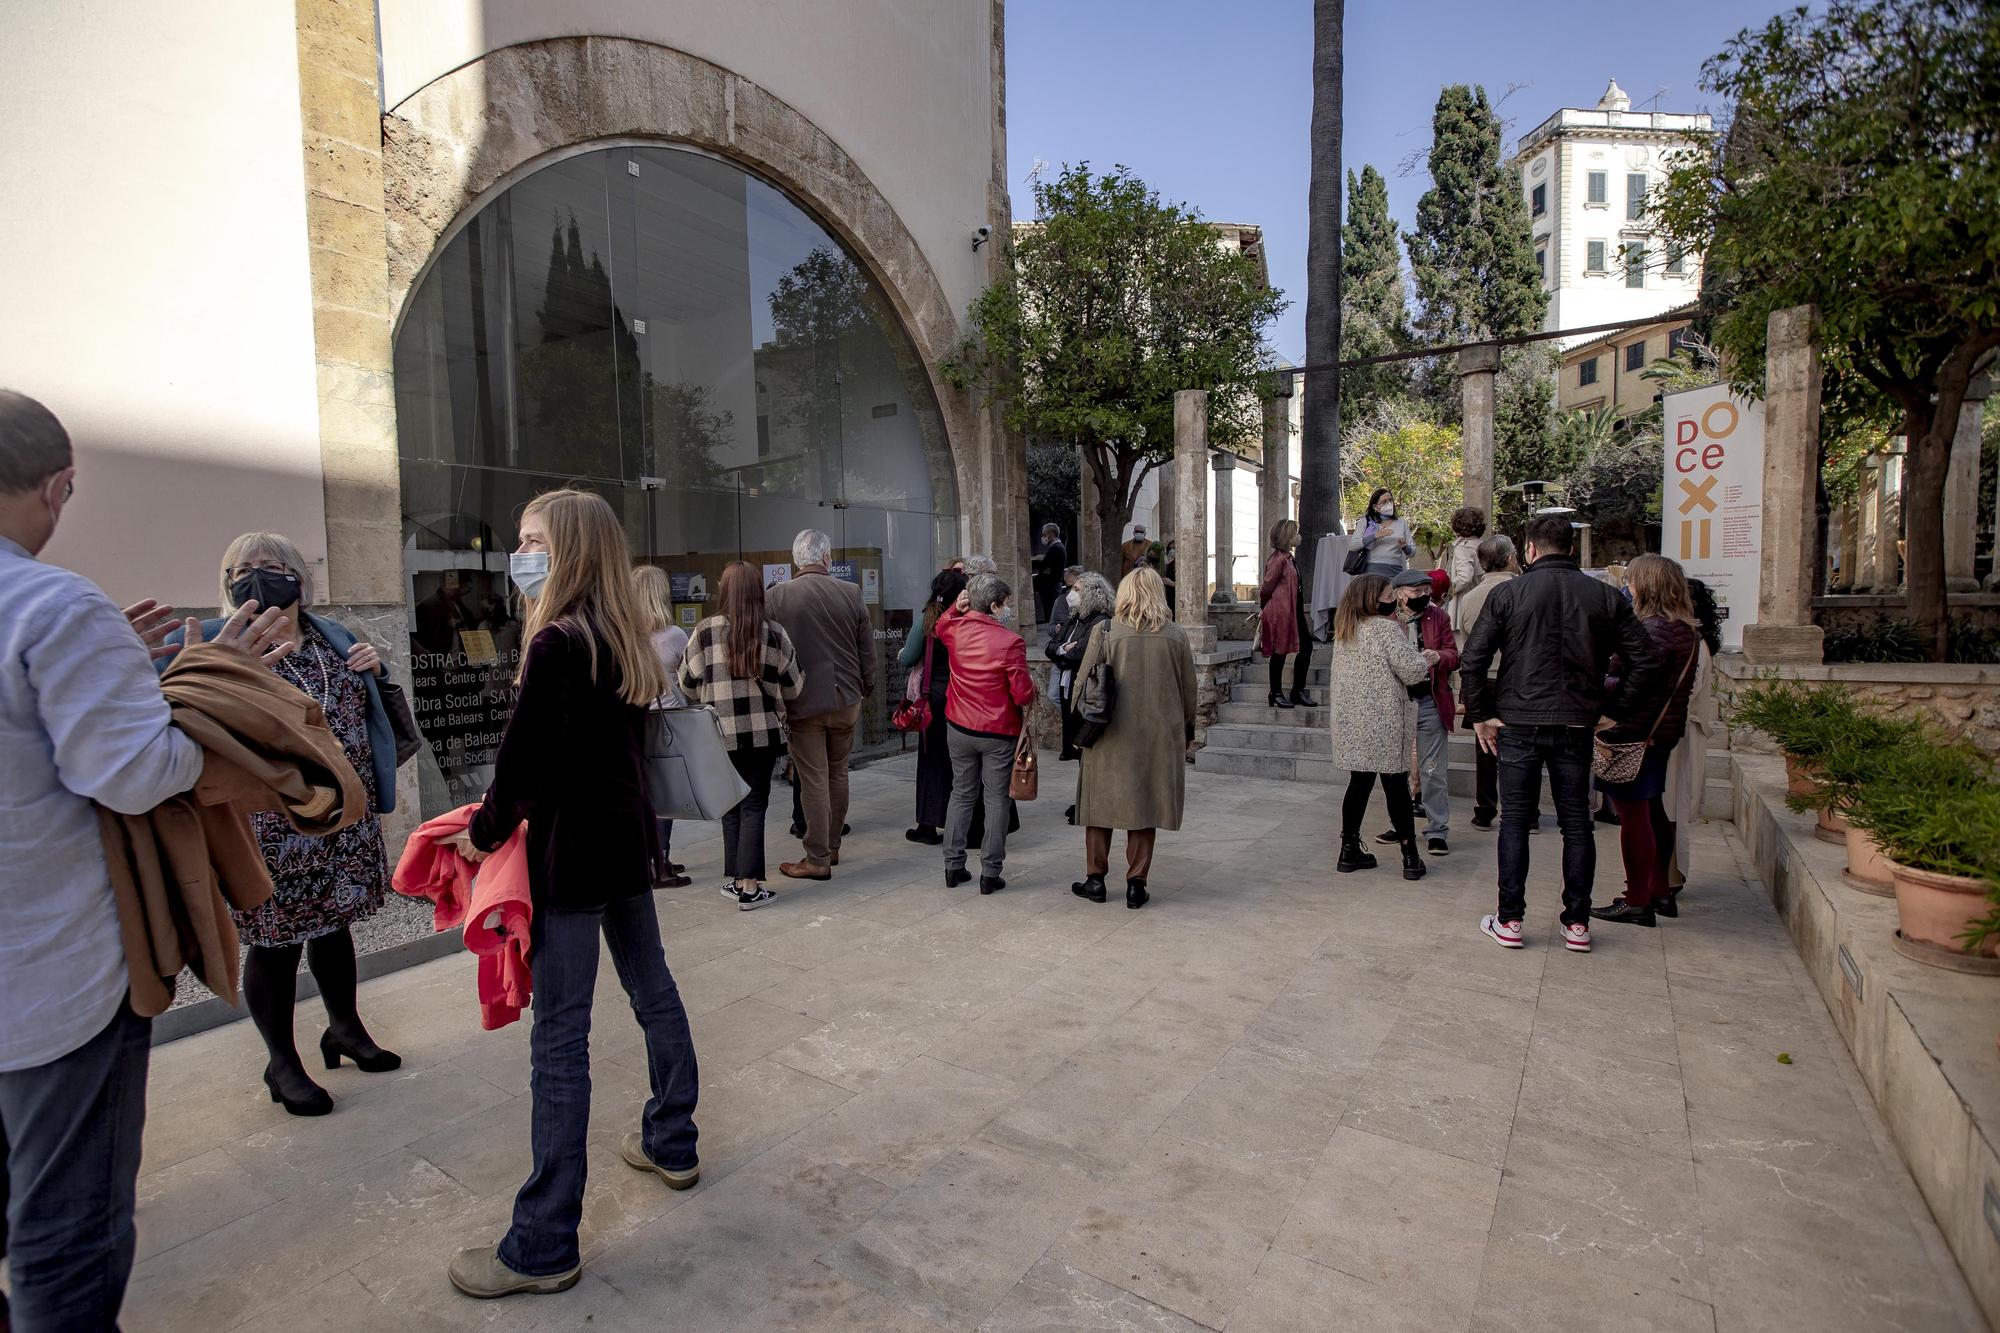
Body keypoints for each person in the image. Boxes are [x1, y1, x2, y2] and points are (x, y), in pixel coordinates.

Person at [0, 389, 294, 1331]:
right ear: (60, 485)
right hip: (48, 984)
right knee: (64, 1236)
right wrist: (212, 683)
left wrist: (122, 674)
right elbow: (137, 771)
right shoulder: (49, 604)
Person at [445, 489, 702, 1300]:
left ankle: (544, 1239)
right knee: (652, 988)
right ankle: (673, 1137)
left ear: (572, 550)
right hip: (624, 848)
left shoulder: (556, 642)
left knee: (559, 1039)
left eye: (532, 541)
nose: (519, 554)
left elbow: (520, 773)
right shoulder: (621, 637)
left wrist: (479, 835)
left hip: (568, 861)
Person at [174, 532, 403, 1118]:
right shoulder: (212, 644)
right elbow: (183, 722)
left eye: (274, 566)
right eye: (244, 568)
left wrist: (375, 673)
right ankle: (281, 1061)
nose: (259, 576)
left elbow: (369, 712)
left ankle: (345, 1029)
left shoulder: (335, 636)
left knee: (336, 927)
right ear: (226, 582)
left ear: (301, 578)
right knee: (275, 945)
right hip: (266, 831)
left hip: (340, 820)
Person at [1459, 514, 1661, 955]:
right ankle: (1577, 924)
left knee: (1515, 820)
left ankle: (1510, 919)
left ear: (1529, 550)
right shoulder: (1605, 596)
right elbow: (1645, 661)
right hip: (1574, 722)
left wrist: (1480, 714)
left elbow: (1472, 658)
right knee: (1576, 823)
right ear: (1570, 549)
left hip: (1519, 721)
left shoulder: (1509, 592)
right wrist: (1611, 711)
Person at [679, 562, 805, 909]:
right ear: (757, 591)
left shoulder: (704, 632)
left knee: (730, 805)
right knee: (754, 805)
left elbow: (687, 685)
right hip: (762, 736)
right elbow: (794, 686)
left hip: (717, 734)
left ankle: (737, 880)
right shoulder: (774, 633)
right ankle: (750, 886)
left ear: (725, 590)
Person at [1070, 568, 1196, 909]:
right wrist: (1187, 731)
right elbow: (1189, 692)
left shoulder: (1106, 630)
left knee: (1100, 806)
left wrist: (1078, 728)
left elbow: (1082, 683)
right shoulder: (1176, 635)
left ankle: (1095, 880)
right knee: (1145, 807)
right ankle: (1136, 884)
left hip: (1109, 733)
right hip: (1158, 737)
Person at [1591, 555, 1704, 929]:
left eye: (1633, 580)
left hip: (1635, 734)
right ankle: (1659, 890)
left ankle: (1637, 898)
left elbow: (1633, 684)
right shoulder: (1684, 629)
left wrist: (1596, 680)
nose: (1629, 586)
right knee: (1652, 812)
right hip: (1658, 732)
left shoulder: (1652, 630)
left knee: (1634, 817)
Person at [764, 530, 874, 881]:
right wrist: (865, 686)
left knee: (813, 779)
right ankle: (833, 846)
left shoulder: (777, 597)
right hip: (846, 699)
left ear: (797, 560)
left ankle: (817, 858)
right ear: (827, 558)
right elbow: (866, 651)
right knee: (838, 771)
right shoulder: (851, 592)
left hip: (803, 701)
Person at [1329, 574, 1437, 881]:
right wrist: (1426, 659)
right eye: (1390, 595)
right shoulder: (1386, 629)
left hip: (1353, 724)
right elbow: (1412, 670)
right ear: (1374, 599)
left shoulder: (1344, 630)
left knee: (1358, 785)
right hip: (1385, 721)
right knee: (1396, 788)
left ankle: (1348, 849)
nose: (1394, 600)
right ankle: (1410, 856)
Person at [935, 572, 1035, 895]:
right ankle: (990, 872)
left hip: (958, 725)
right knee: (995, 799)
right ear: (994, 606)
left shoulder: (955, 629)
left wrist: (954, 607)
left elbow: (939, 626)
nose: (1008, 609)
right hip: (997, 730)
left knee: (961, 793)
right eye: (1005, 604)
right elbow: (1022, 695)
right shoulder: (1010, 642)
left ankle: (953, 865)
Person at [1454, 534, 1534, 834]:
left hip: (1484, 679)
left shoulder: (1471, 598)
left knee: (1485, 749)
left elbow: (1467, 646)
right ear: (1511, 558)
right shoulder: (1523, 591)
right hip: (1517, 679)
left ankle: (1484, 809)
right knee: (1526, 746)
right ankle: (1530, 811)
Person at [1375, 567, 1457, 856]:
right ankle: (1400, 825)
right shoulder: (1385, 621)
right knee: (1395, 770)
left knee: (1433, 770)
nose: (1423, 596)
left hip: (1429, 701)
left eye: (1426, 591)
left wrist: (1439, 657)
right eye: (1416, 592)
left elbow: (1453, 654)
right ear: (1399, 594)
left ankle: (1437, 830)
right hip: (1396, 703)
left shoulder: (1439, 617)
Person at [1660, 578, 1722, 906]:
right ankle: (1668, 877)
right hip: (1680, 733)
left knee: (1670, 809)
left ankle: (1669, 878)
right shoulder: (1696, 640)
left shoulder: (1691, 643)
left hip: (1677, 736)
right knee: (1669, 808)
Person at [633, 565, 691, 889]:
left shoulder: (626, 636)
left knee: (646, 794)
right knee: (665, 797)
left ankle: (649, 856)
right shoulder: (674, 636)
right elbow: (690, 674)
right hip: (668, 720)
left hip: (636, 721)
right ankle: (661, 860)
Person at [1049, 570, 1115, 806]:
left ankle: (1089, 801)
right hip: (1070, 686)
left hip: (1088, 690)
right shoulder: (1075, 618)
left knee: (1087, 747)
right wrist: (1063, 650)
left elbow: (1081, 653)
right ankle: (1083, 799)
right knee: (1077, 748)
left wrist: (1065, 651)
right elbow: (1051, 647)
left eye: (1076, 590)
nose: (1071, 594)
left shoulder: (1099, 622)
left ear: (1092, 594)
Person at [1258, 518, 1318, 710]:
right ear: (1287, 537)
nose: (1298, 537)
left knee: (1306, 648)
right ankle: (1275, 692)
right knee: (1280, 651)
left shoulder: (1289, 559)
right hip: (1281, 613)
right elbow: (1267, 588)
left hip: (1294, 611)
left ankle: (1297, 690)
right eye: (1295, 533)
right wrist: (1265, 607)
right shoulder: (1278, 560)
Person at [1356, 487, 1416, 578]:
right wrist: (1375, 536)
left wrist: (1405, 547)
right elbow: (1353, 545)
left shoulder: (1401, 522)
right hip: (1372, 573)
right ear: (1375, 507)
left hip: (1395, 573)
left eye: (1390, 500)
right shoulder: (1365, 521)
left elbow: (1412, 553)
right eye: (1384, 502)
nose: (1389, 504)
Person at [1446, 506, 1486, 624]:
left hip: (1463, 604)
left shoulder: (1463, 548)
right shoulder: (1482, 544)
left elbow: (1465, 577)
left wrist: (1447, 590)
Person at [1033, 522, 1067, 623]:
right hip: (1052, 586)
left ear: (1051, 534)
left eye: (1044, 534)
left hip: (1050, 588)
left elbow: (1044, 567)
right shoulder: (1057, 548)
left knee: (1051, 615)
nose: (1043, 537)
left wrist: (1040, 565)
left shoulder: (1056, 548)